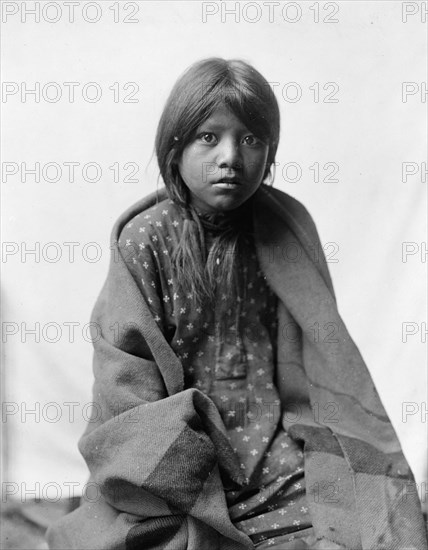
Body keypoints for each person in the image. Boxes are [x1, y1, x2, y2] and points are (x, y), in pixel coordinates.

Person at [47, 58, 427, 550]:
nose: (231, 156)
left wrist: (306, 439)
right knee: (148, 531)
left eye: (250, 139)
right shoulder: (144, 240)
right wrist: (177, 459)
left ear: (269, 152)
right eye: (209, 137)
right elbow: (125, 376)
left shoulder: (284, 229)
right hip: (180, 440)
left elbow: (316, 363)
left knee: (357, 510)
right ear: (175, 146)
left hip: (274, 442)